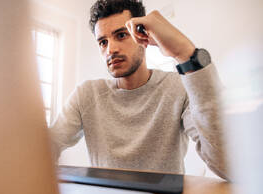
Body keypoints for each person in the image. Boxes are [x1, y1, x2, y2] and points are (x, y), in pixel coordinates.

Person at [49, 0, 229, 180]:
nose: (111, 49)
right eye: (103, 42)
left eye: (121, 35)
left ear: (143, 37)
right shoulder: (86, 94)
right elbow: (48, 147)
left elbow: (227, 166)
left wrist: (184, 53)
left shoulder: (179, 87)